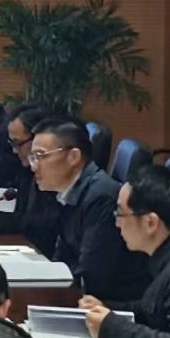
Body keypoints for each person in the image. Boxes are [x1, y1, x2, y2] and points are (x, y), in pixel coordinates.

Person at [79, 165, 170, 338]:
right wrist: (107, 308)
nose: (117, 224)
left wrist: (112, 329)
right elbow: (152, 309)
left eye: (120, 214)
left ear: (150, 223)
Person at [28, 116, 150, 301]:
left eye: (41, 156)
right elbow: (63, 254)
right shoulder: (68, 191)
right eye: (33, 158)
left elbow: (92, 277)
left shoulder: (101, 198)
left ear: (73, 157)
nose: (34, 166)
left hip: (112, 305)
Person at [0, 104, 61, 255]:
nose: (14, 150)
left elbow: (48, 223)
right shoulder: (25, 171)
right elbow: (25, 216)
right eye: (11, 143)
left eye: (18, 143)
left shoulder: (54, 174)